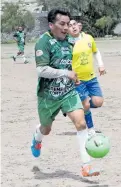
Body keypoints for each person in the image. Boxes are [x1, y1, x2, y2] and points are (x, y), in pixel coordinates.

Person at [31, 8, 100, 177]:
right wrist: (65, 73)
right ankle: (38, 136)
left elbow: (67, 64)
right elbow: (41, 70)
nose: (65, 27)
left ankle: (86, 166)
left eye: (68, 24)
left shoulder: (69, 42)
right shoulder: (43, 42)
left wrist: (73, 76)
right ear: (51, 25)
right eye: (62, 24)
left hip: (68, 91)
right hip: (48, 95)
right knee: (47, 129)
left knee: (81, 123)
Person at [68, 19, 106, 133]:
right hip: (78, 80)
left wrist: (101, 65)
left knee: (98, 102)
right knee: (86, 105)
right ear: (67, 29)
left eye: (74, 24)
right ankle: (91, 129)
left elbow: (95, 51)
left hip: (91, 77)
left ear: (79, 26)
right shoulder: (67, 43)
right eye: (70, 26)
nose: (73, 27)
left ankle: (76, 108)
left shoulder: (88, 38)